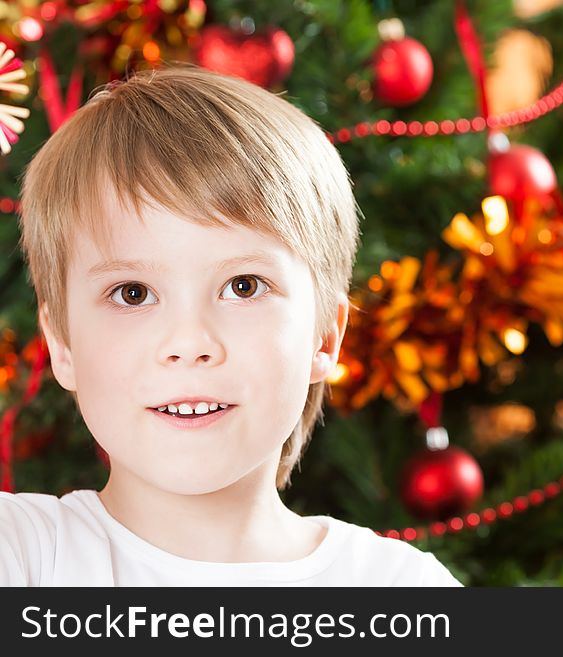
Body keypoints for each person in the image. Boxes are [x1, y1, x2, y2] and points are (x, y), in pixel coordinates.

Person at [0, 64, 462, 587]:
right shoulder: (22, 553)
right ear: (62, 344)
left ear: (325, 336)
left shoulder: (399, 589)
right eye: (132, 294)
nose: (190, 343)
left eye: (243, 286)